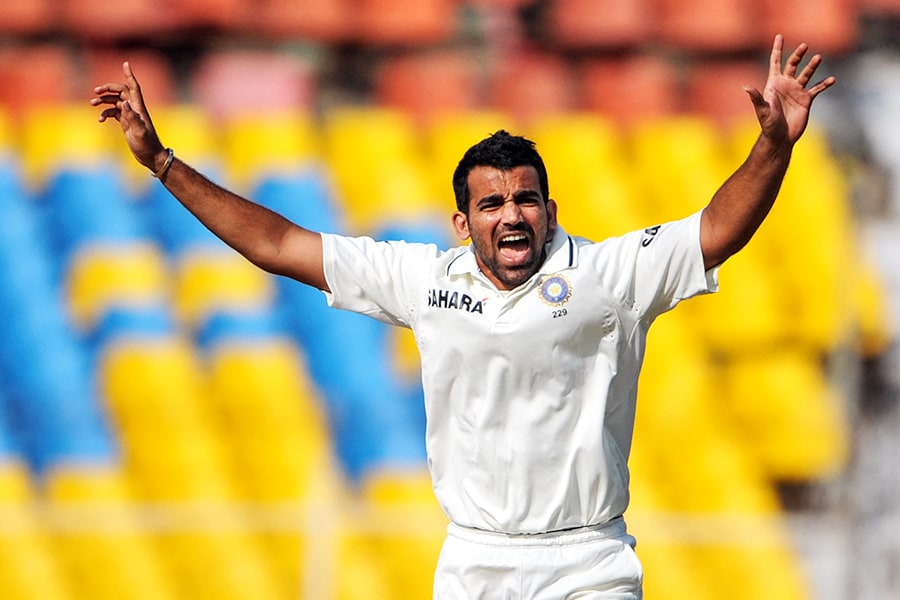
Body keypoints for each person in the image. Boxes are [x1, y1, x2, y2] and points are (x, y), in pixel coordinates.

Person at [92, 34, 834, 599]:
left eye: (526, 200)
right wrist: (162, 162)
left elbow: (715, 231)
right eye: (492, 204)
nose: (512, 217)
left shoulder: (606, 274)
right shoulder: (423, 279)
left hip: (588, 564)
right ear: (461, 221)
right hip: (475, 562)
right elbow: (280, 243)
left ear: (550, 209)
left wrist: (772, 146)